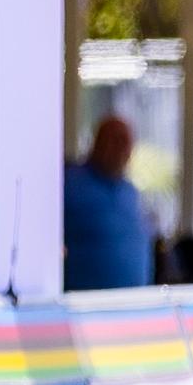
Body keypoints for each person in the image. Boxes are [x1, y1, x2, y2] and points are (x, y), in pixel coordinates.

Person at [62, 116, 152, 290]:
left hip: (134, 300)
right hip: (85, 300)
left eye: (127, 142)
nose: (122, 148)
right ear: (97, 143)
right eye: (116, 140)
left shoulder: (130, 191)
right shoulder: (70, 183)